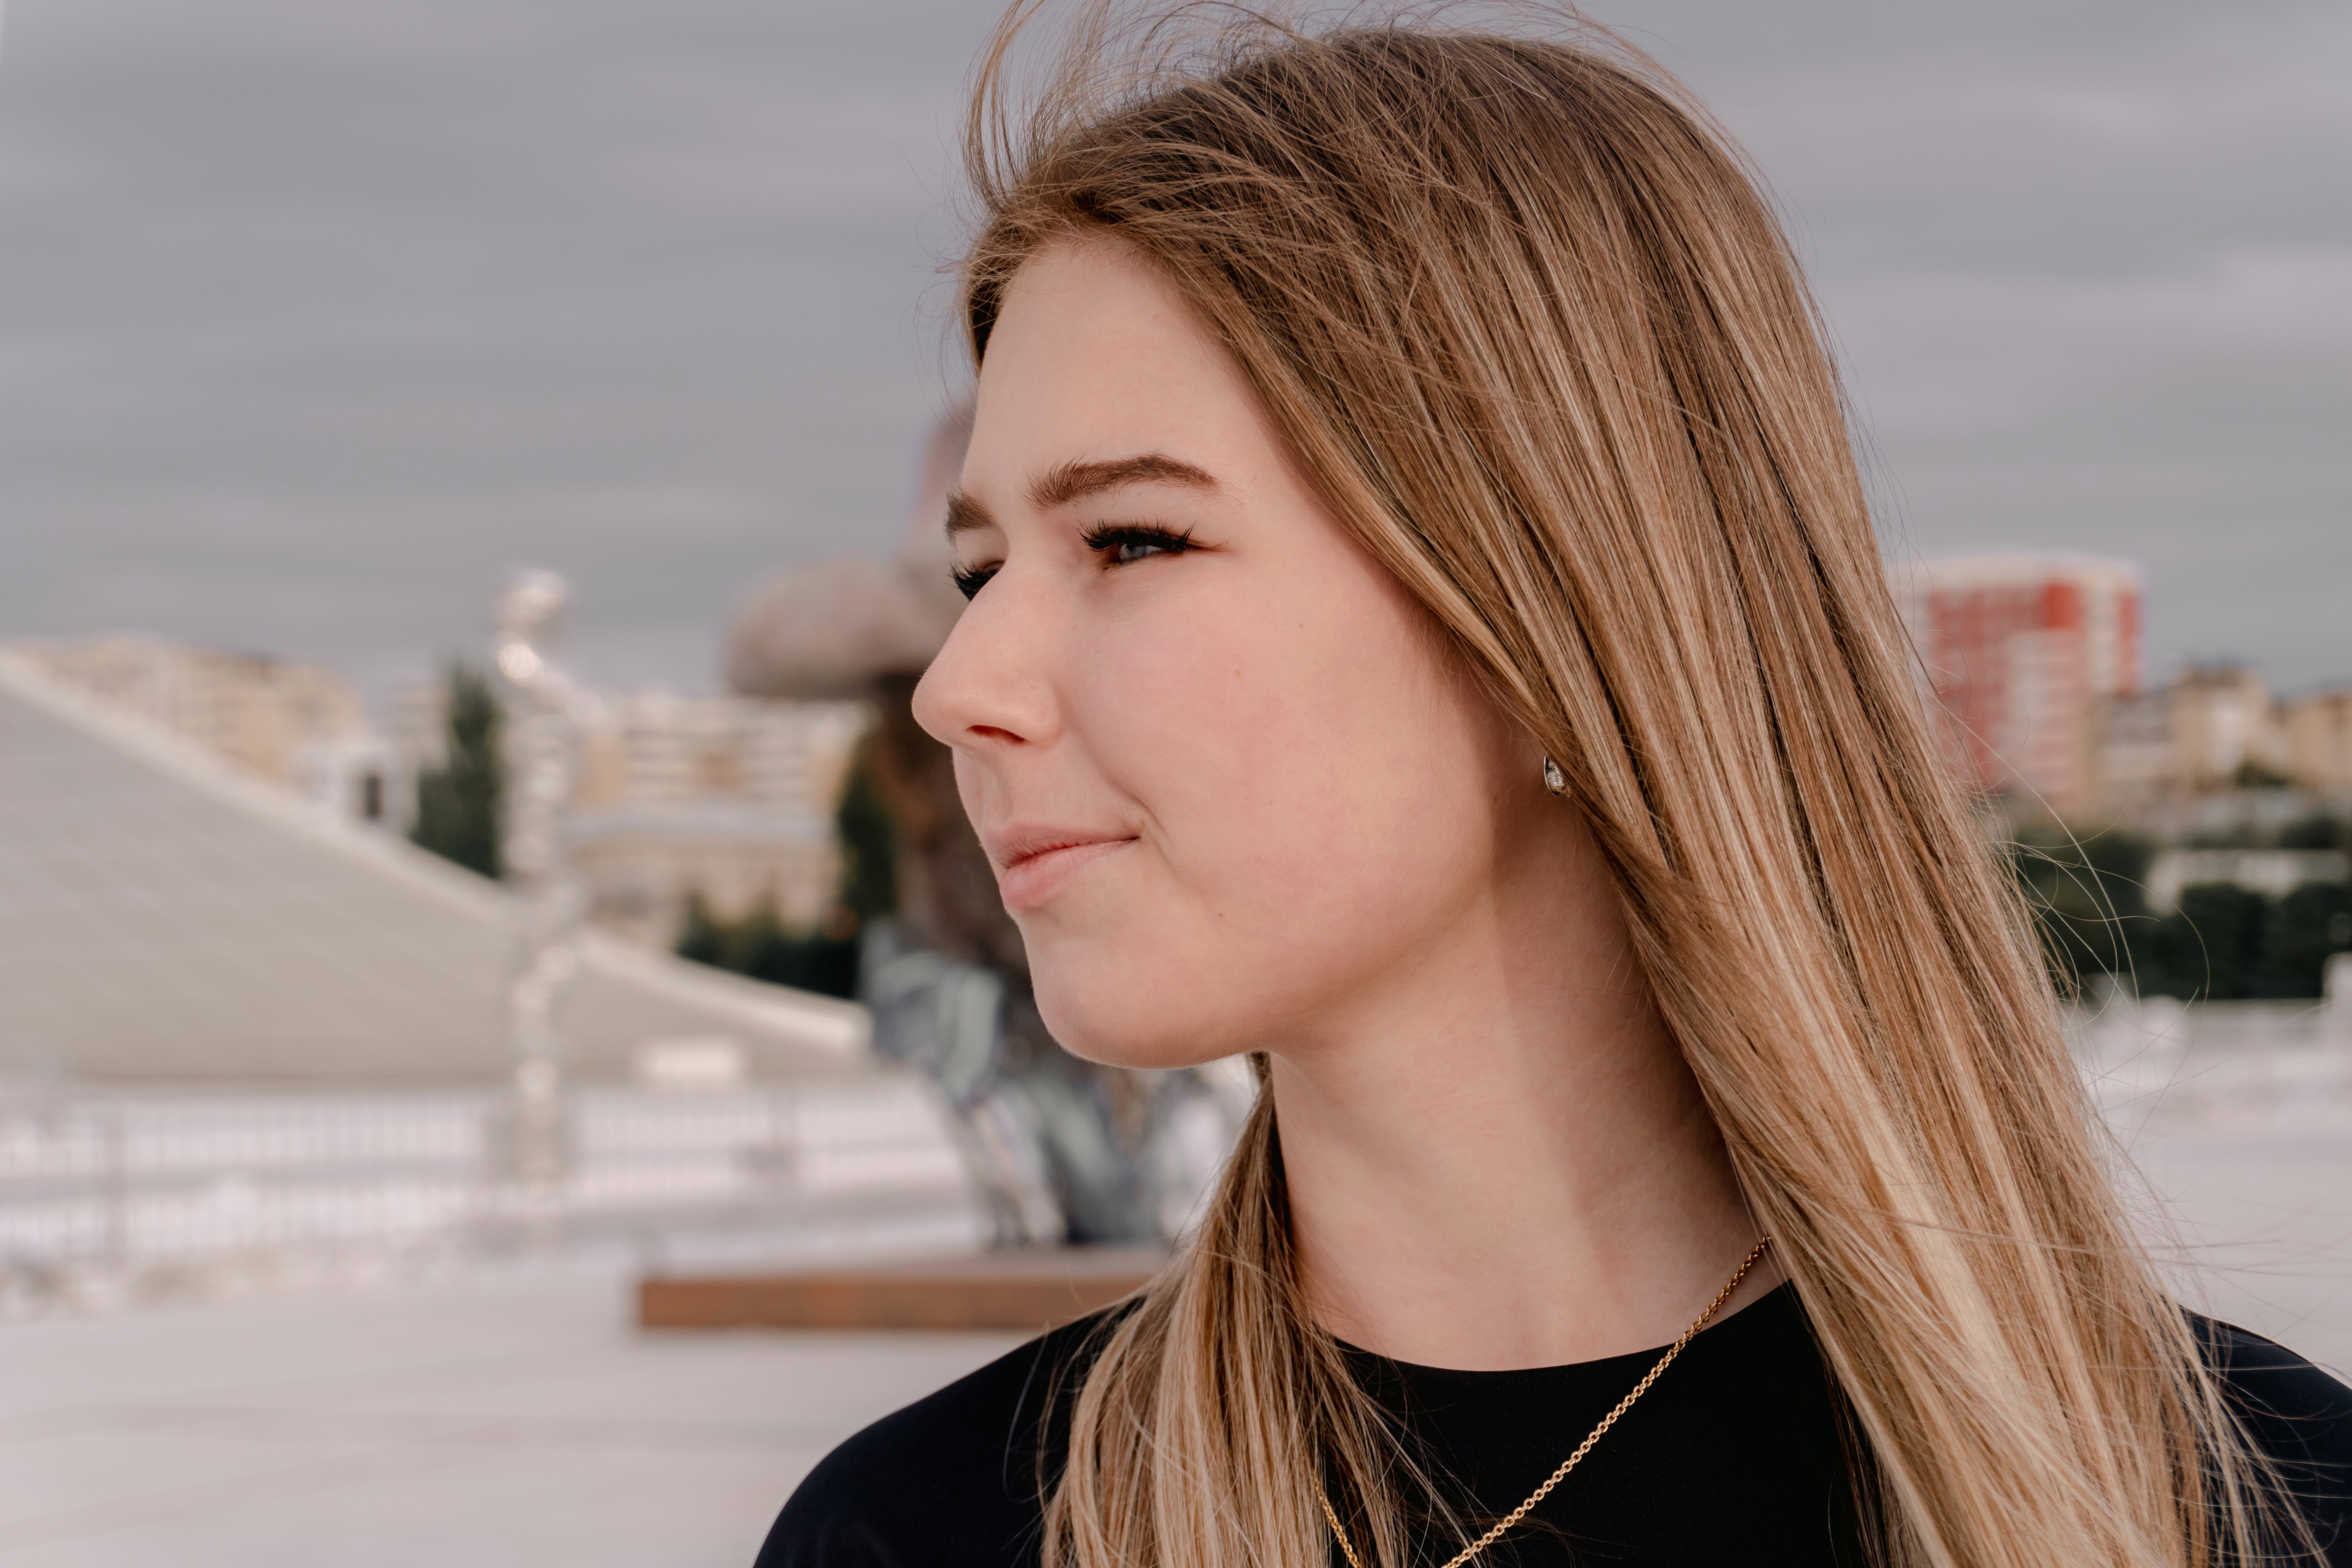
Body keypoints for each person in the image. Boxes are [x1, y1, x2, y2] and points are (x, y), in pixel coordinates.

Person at [759, 6, 2352, 1565]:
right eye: (981, 570)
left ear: (1545, 610)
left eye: (1131, 540)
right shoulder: (929, 1532)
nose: (961, 685)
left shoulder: (2247, 1505)